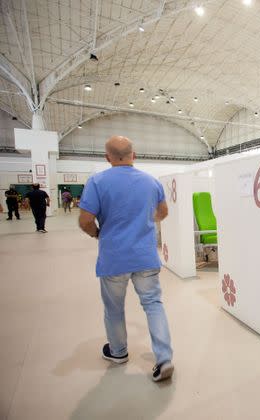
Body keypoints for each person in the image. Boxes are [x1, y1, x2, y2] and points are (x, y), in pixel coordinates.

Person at [78, 135, 174, 382]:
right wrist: (141, 224)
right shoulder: (152, 182)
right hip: (145, 256)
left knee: (114, 308)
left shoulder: (97, 182)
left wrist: (99, 234)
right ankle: (164, 358)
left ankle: (118, 352)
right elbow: (163, 212)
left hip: (114, 258)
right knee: (153, 305)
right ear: (134, 155)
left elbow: (85, 220)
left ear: (107, 157)